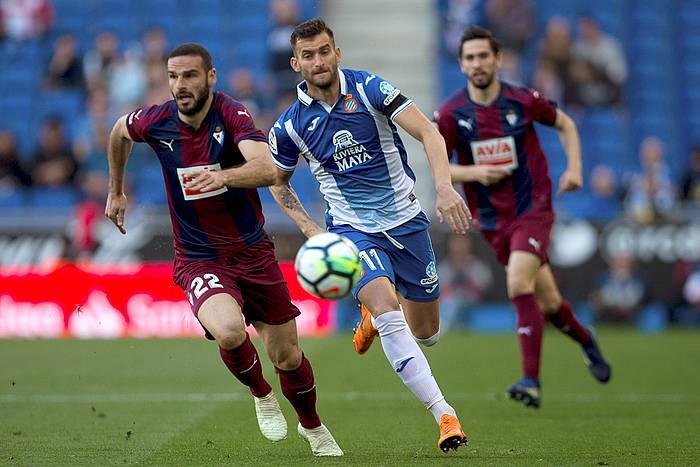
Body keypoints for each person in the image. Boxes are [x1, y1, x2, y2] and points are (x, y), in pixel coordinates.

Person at [104, 43, 342, 457]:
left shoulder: (232, 114)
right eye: (174, 76)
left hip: (253, 252)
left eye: (190, 76)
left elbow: (269, 168)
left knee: (287, 354)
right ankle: (262, 394)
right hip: (198, 258)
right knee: (229, 330)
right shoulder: (156, 120)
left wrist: (224, 177)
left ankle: (313, 427)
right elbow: (119, 131)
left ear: (210, 77)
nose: (181, 85)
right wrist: (115, 189)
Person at [268, 18, 470, 452]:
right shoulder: (289, 126)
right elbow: (277, 181)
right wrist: (309, 228)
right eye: (308, 55)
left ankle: (372, 318)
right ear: (295, 64)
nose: (318, 61)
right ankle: (444, 414)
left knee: (428, 332)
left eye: (324, 51)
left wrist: (446, 187)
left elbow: (428, 132)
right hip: (352, 231)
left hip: (407, 222)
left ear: (337, 52)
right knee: (386, 307)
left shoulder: (369, 89)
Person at [434, 26, 611, 408]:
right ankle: (586, 340)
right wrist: (474, 173)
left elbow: (566, 123)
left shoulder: (522, 101)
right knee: (547, 301)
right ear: (461, 64)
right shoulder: (450, 114)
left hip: (532, 207)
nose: (477, 63)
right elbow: (440, 168)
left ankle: (531, 380)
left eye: (484, 56)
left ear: (497, 59)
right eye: (470, 58)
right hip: (490, 219)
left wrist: (575, 169)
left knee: (518, 282)